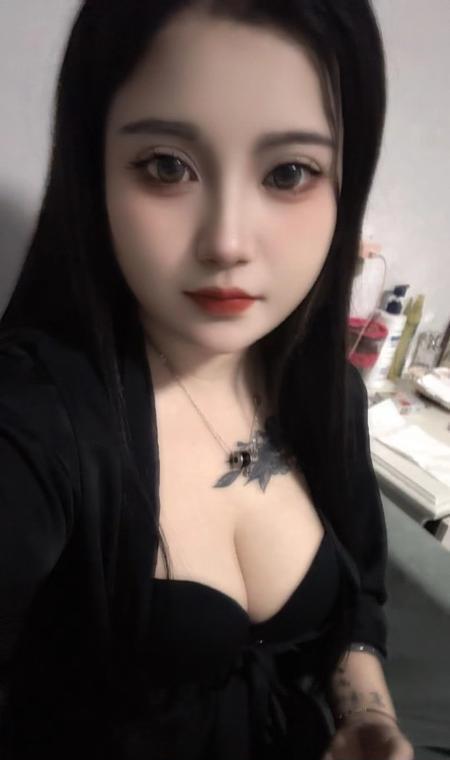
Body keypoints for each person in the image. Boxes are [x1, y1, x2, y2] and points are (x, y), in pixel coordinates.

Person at [0, 1, 416, 758]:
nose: (226, 242)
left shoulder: (327, 390)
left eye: (289, 173)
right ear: (95, 171)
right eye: (167, 166)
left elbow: (359, 596)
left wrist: (368, 715)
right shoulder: (32, 424)